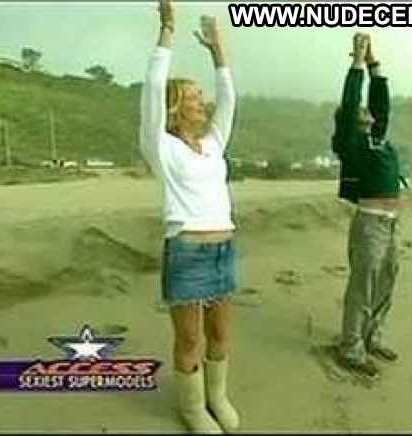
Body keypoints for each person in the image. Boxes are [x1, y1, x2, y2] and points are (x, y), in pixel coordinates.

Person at [139, 1, 239, 432]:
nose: (204, 103)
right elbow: (152, 87)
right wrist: (167, 30)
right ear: (175, 107)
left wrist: (218, 51)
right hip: (187, 251)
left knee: (221, 335)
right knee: (190, 337)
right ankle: (192, 407)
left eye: (202, 97)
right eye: (195, 98)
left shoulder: (214, 144)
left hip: (224, 249)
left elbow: (230, 99)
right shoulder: (161, 146)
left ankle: (217, 396)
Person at [332, 33, 409, 379]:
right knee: (363, 284)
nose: (367, 113)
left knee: (387, 279)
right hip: (371, 222)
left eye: (369, 113)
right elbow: (351, 103)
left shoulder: (378, 137)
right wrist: (357, 63)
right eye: (361, 113)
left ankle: (371, 336)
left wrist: (375, 62)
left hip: (392, 222)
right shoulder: (350, 142)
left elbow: (381, 103)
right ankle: (351, 347)